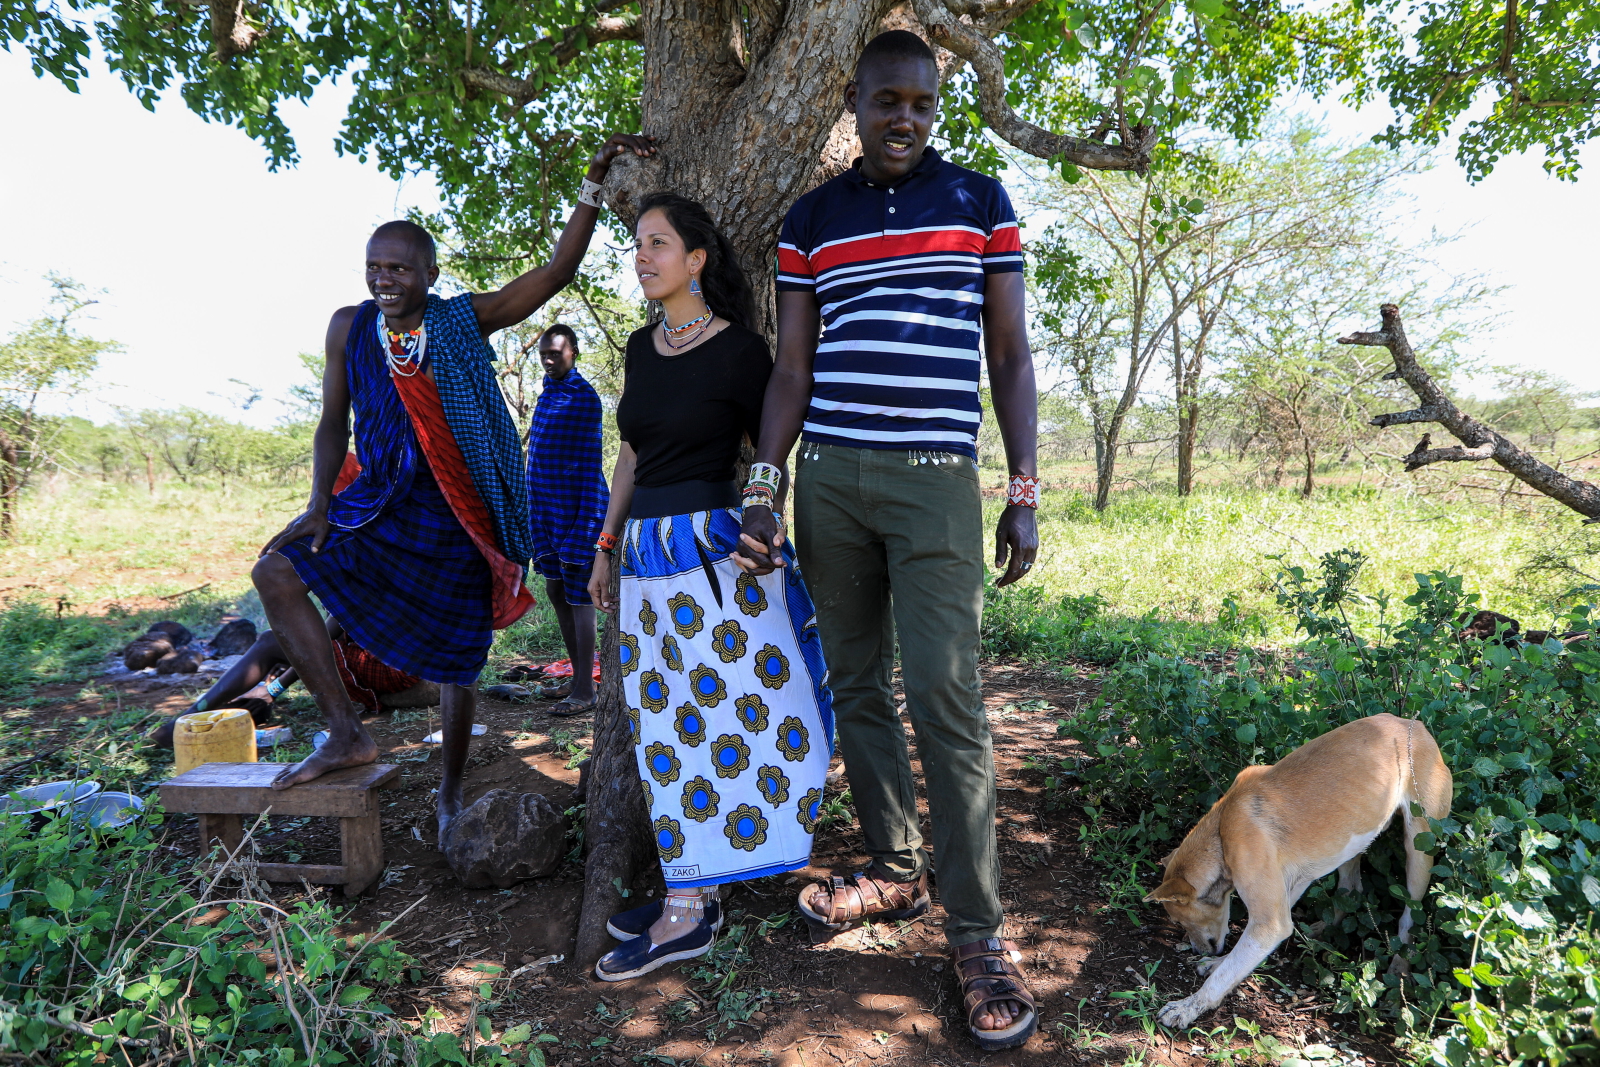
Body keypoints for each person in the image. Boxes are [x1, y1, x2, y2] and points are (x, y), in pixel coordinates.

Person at [733, 31, 1042, 1051]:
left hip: (933, 483)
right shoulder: (812, 219)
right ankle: (897, 864)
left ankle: (980, 932)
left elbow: (1007, 352)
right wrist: (766, 488)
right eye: (884, 102)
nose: (901, 118)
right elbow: (789, 371)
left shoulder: (980, 202)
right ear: (853, 104)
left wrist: (1023, 486)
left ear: (934, 106)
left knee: (948, 695)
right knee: (858, 682)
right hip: (828, 484)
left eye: (919, 102)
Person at [253, 132, 655, 837]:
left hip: (456, 514)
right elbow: (330, 425)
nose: (385, 279)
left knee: (459, 658)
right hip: (376, 503)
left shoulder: (460, 321)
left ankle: (449, 788)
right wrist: (320, 504)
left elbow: (556, 273)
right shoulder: (350, 328)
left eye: (400, 269)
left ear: (430, 274)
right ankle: (345, 731)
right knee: (277, 571)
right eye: (375, 266)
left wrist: (592, 184)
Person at [586, 193, 834, 981]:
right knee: (663, 725)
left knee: (727, 715)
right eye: (636, 244)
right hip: (644, 557)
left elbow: (769, 447)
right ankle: (694, 891)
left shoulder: (740, 352)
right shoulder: (636, 346)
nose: (642, 256)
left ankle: (688, 909)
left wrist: (767, 518)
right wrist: (604, 542)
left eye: (658, 243)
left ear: (697, 260)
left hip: (715, 555)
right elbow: (629, 454)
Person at [525, 323, 607, 715]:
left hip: (579, 510)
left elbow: (586, 467)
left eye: (556, 353)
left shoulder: (584, 399)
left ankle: (584, 691)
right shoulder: (547, 396)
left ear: (574, 352)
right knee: (556, 592)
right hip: (545, 510)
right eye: (543, 353)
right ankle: (578, 678)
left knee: (578, 596)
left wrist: (581, 522)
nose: (548, 359)